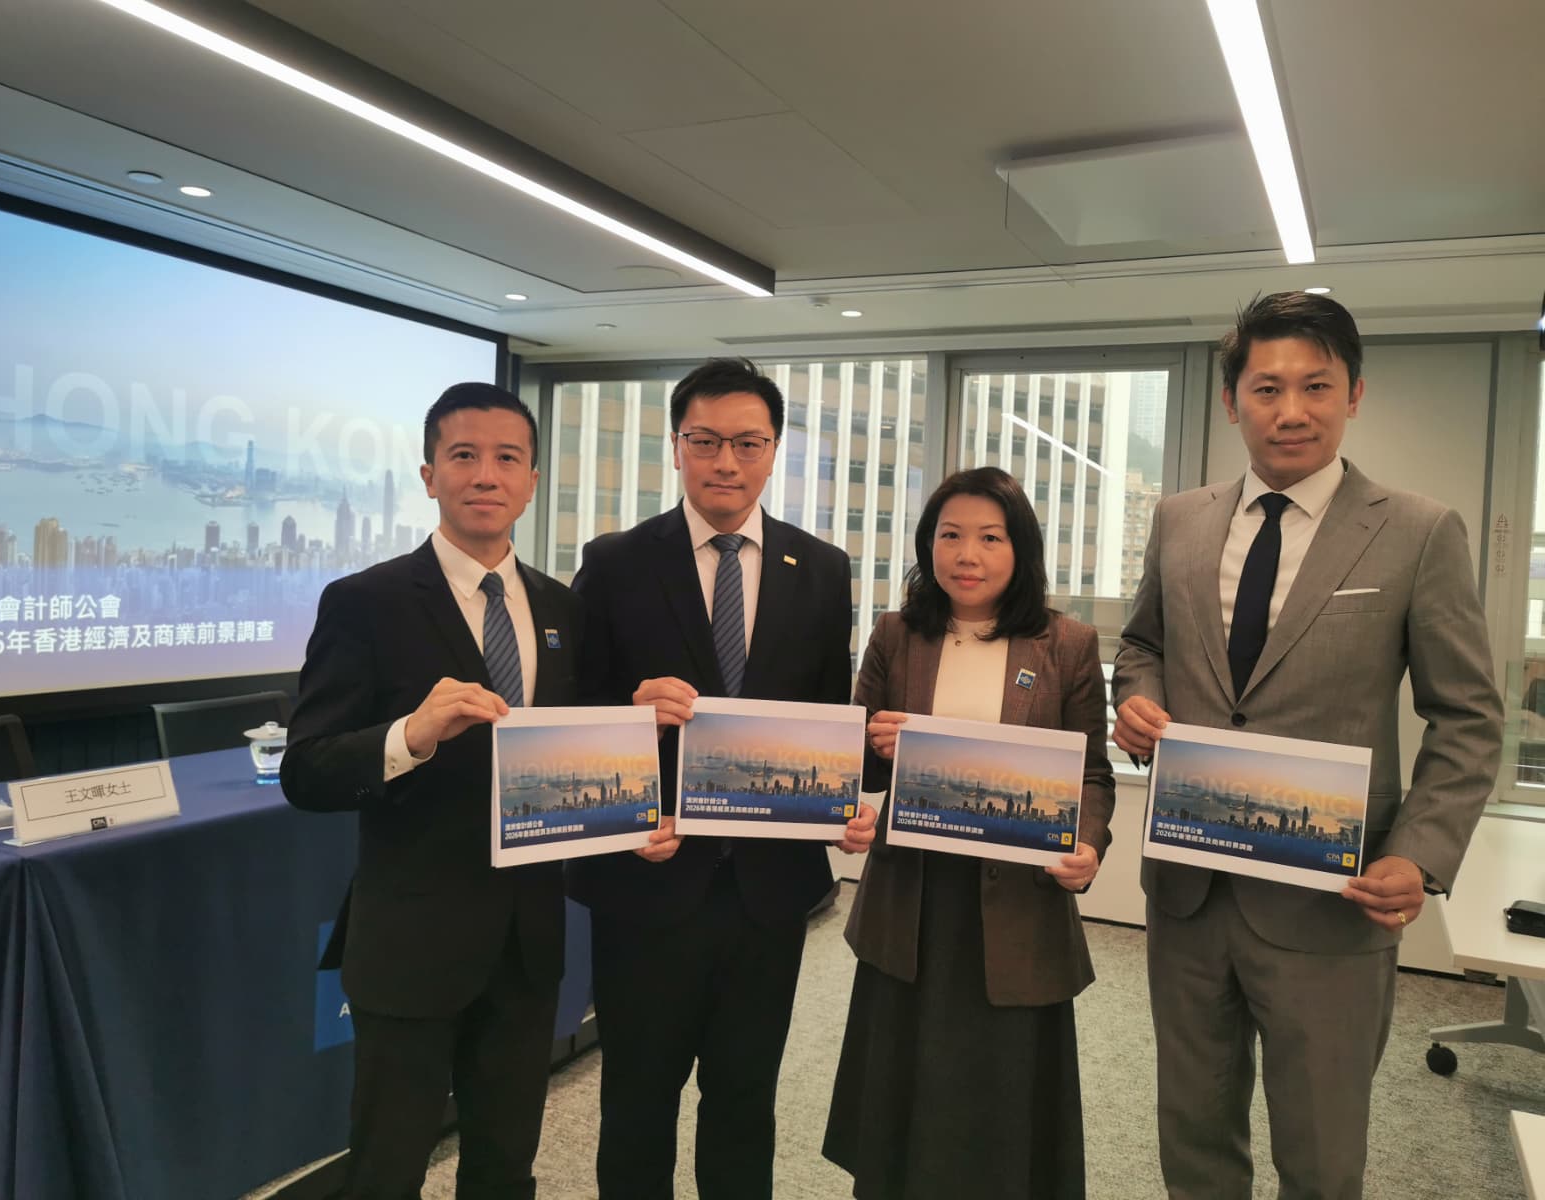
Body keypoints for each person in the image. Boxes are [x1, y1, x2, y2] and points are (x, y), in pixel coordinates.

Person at [1112, 291, 1503, 1200]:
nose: (1291, 410)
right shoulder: (1180, 520)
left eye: (1316, 386)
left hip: (1332, 898)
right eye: (1267, 388)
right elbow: (1142, 646)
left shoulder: (1418, 531)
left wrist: (1419, 855)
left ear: (1353, 394)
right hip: (1190, 889)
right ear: (1232, 402)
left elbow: (1468, 715)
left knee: (1322, 1153)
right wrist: (1138, 701)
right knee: (1193, 1134)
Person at [569, 356, 878, 1200]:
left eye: (748, 442)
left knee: (745, 1101)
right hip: (647, 878)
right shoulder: (616, 561)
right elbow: (568, 708)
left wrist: (842, 802)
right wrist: (630, 711)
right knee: (637, 1101)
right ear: (677, 446)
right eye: (705, 441)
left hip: (767, 892)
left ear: (774, 450)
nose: (726, 462)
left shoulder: (821, 569)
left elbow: (826, 716)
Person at [281, 382, 583, 1200]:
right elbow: (305, 770)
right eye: (464, 456)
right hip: (411, 940)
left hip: (527, 941)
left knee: (505, 1166)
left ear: (531, 481)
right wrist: (409, 737)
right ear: (428, 475)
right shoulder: (365, 602)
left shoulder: (562, 608)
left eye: (507, 458)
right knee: (387, 1170)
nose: (486, 474)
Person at [822, 466, 1116, 1200]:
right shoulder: (897, 635)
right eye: (950, 535)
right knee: (902, 1095)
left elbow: (1092, 772)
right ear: (929, 545)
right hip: (912, 900)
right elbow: (854, 761)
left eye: (990, 537)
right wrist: (874, 750)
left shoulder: (1067, 643)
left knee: (1003, 1106)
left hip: (1017, 902)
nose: (967, 555)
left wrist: (1087, 845)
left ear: (1021, 549)